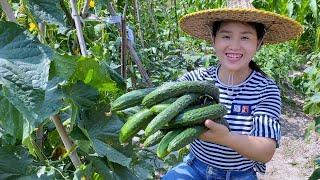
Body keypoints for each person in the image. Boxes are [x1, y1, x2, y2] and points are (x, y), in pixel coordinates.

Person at [162, 0, 303, 179]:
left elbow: (266, 151)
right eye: (226, 36)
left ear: (258, 42)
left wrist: (226, 138)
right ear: (213, 39)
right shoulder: (197, 79)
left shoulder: (266, 90)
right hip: (194, 167)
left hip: (239, 175)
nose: (234, 46)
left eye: (245, 37)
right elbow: (165, 99)